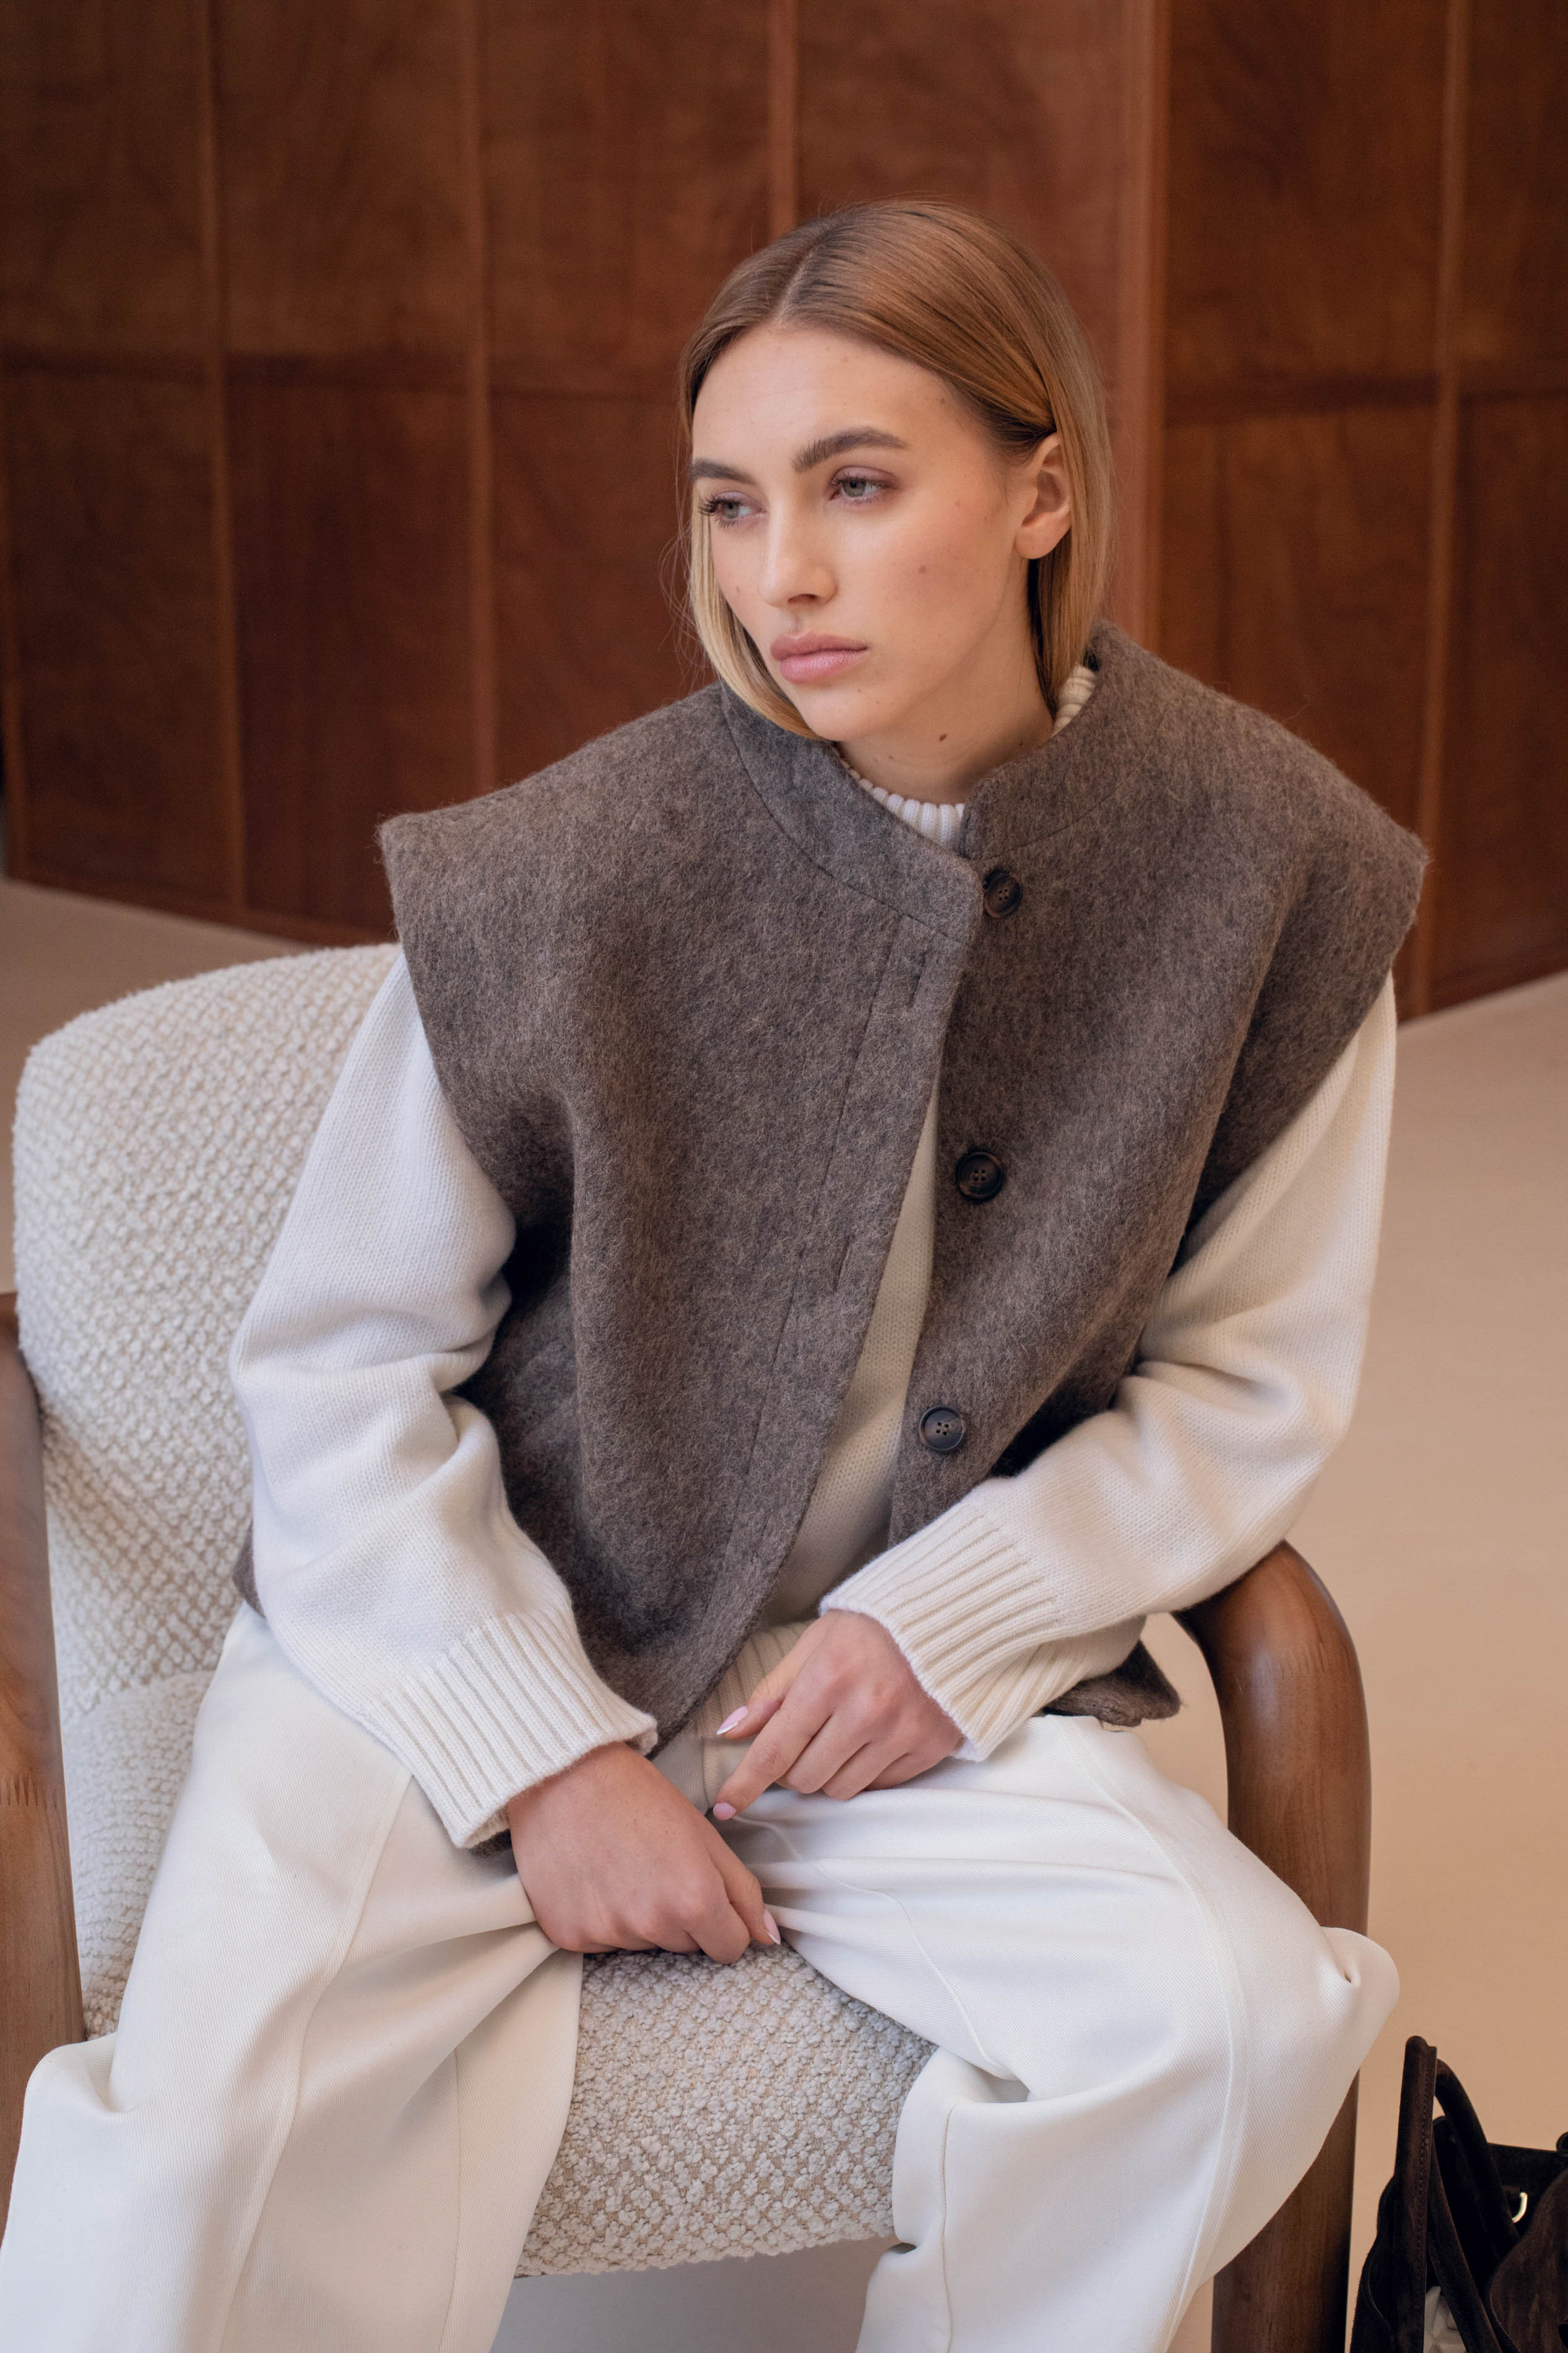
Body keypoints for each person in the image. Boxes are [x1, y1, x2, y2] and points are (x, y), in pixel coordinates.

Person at [0, 199, 1421, 2353]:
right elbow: (338, 1365)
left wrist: (951, 1625)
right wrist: (539, 1758)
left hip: (885, 1689)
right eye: (732, 504)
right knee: (196, 2166)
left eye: (858, 485)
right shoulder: (579, 859)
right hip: (479, 1616)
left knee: (1223, 2022)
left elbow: (1246, 1380)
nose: (784, 577)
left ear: (1042, 492)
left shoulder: (1274, 867)